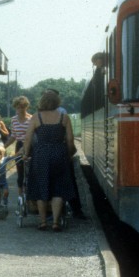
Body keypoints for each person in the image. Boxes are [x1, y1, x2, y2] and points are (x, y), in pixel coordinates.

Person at [21, 90, 76, 231]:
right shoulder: (64, 117)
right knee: (58, 189)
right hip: (59, 153)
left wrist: (26, 154)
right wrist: (69, 154)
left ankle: (43, 222)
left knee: (41, 186)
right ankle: (56, 223)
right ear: (57, 102)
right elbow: (70, 140)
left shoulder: (36, 117)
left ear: (42, 102)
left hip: (41, 154)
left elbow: (27, 138)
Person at [44, 87, 87, 220]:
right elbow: (69, 137)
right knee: (68, 181)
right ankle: (75, 210)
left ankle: (54, 212)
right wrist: (69, 152)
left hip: (47, 152)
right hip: (61, 151)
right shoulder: (62, 112)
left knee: (50, 181)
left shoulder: (41, 113)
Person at [8, 95, 33, 199]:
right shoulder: (13, 120)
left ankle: (31, 197)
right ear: (15, 107)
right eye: (18, 107)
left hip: (31, 146)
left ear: (26, 107)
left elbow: (34, 135)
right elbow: (13, 136)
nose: (20, 109)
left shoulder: (32, 119)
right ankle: (20, 197)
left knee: (31, 172)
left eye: (22, 106)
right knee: (20, 172)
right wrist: (3, 146)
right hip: (19, 146)